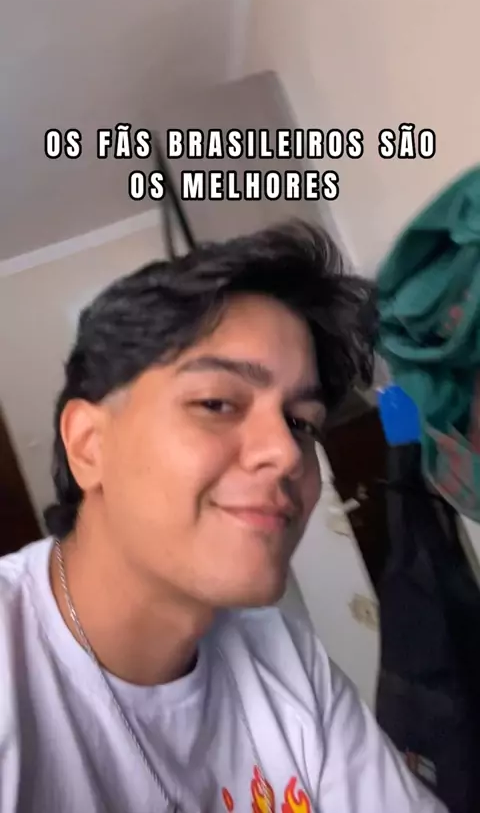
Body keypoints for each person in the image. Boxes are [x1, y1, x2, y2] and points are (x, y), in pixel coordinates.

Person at [0, 221, 446, 813]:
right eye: (216, 403)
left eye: (302, 423)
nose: (288, 453)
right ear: (89, 445)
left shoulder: (286, 659)